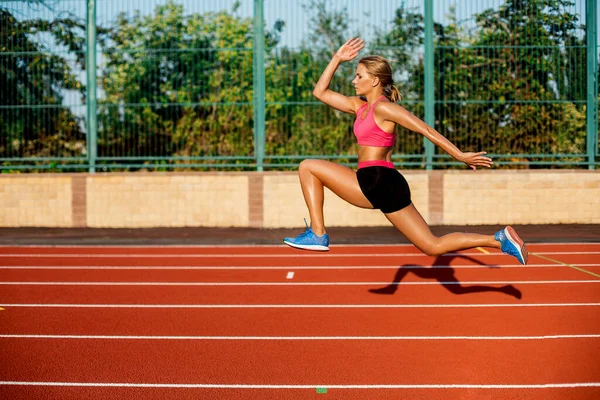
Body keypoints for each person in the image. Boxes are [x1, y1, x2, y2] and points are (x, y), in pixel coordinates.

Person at [283, 37, 528, 265]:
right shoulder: (359, 106)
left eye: (358, 76)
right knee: (433, 246)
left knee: (307, 167)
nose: (353, 81)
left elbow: (425, 130)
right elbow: (320, 92)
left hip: (374, 179)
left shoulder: (385, 109)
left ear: (375, 80)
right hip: (388, 184)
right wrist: (336, 58)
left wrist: (459, 155)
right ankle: (498, 240)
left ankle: (318, 234)